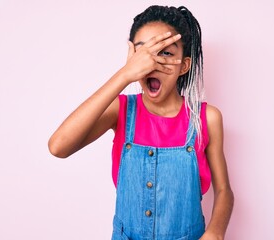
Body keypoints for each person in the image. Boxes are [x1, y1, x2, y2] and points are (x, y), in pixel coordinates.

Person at [48, 5, 234, 240]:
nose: (152, 63)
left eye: (165, 52)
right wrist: (125, 74)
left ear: (184, 65)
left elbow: (224, 190)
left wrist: (215, 232)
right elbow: (58, 146)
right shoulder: (121, 110)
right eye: (143, 54)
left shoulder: (206, 118)